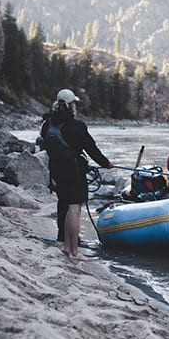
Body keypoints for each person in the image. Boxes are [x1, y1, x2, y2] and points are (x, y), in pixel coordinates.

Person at [40, 89, 112, 260]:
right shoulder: (78, 126)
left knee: (64, 205)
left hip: (56, 170)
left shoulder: (47, 124)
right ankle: (73, 251)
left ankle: (66, 245)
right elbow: (91, 149)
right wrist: (106, 163)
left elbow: (45, 142)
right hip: (74, 172)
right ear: (71, 105)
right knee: (74, 210)